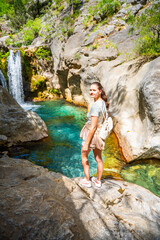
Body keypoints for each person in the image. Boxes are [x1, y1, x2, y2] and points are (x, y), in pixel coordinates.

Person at [80, 82, 109, 188]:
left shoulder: (96, 106)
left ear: (100, 91)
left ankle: (87, 181)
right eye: (90, 90)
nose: (91, 92)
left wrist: (86, 144)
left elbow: (92, 127)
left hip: (91, 134)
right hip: (99, 134)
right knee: (98, 158)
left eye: (94, 90)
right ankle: (98, 181)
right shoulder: (102, 103)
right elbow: (103, 118)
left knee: (84, 156)